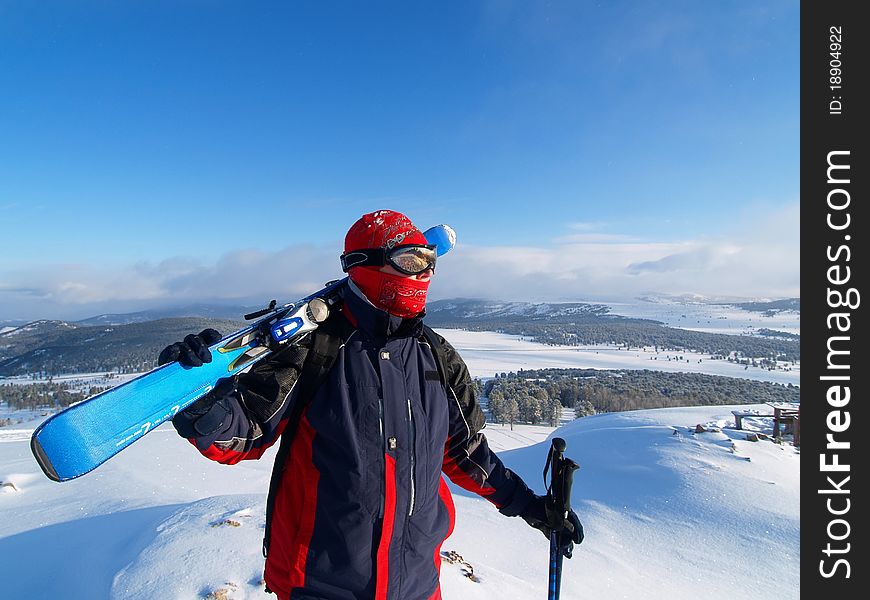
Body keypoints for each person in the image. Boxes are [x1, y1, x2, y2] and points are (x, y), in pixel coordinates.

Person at [160, 209, 583, 600]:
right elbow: (245, 434)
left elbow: (463, 453)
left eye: (429, 261)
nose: (426, 272)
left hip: (416, 582)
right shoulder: (314, 349)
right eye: (411, 260)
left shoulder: (438, 359)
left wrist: (531, 507)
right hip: (320, 584)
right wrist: (203, 404)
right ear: (365, 264)